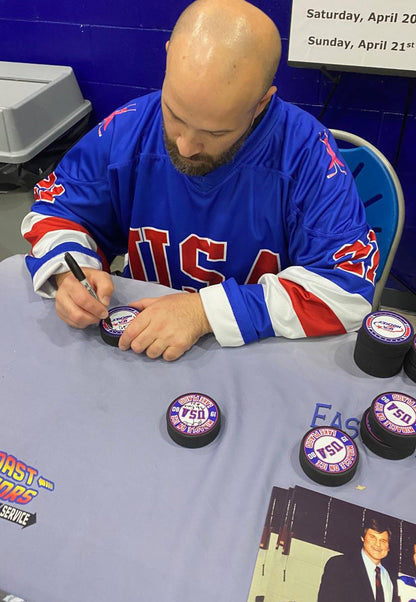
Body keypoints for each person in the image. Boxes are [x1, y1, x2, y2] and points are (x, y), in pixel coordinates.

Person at [21, 0, 379, 361]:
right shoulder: (127, 129)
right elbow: (56, 212)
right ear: (167, 58)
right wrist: (71, 272)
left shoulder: (306, 155)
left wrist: (202, 312)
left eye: (215, 132)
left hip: (253, 354)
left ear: (260, 104)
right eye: (174, 115)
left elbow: (347, 292)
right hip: (139, 344)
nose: (186, 147)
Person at [317, 517, 399, 602]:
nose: (378, 544)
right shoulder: (340, 565)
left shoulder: (391, 577)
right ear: (363, 538)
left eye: (383, 541)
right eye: (372, 537)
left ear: (388, 547)